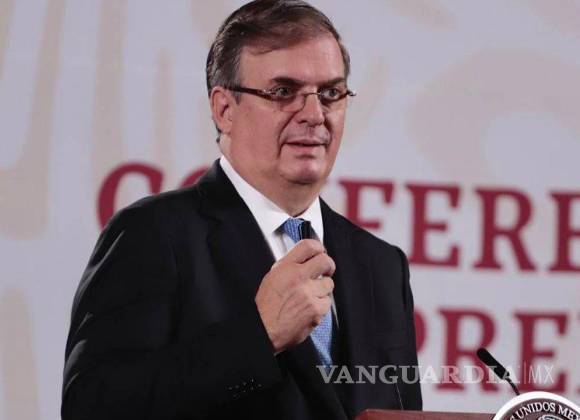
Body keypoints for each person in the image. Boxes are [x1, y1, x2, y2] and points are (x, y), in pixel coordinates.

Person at [62, 1, 422, 419]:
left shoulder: (381, 265)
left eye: (330, 94)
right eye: (283, 92)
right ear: (224, 109)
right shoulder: (154, 235)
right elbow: (92, 406)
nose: (314, 115)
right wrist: (259, 336)